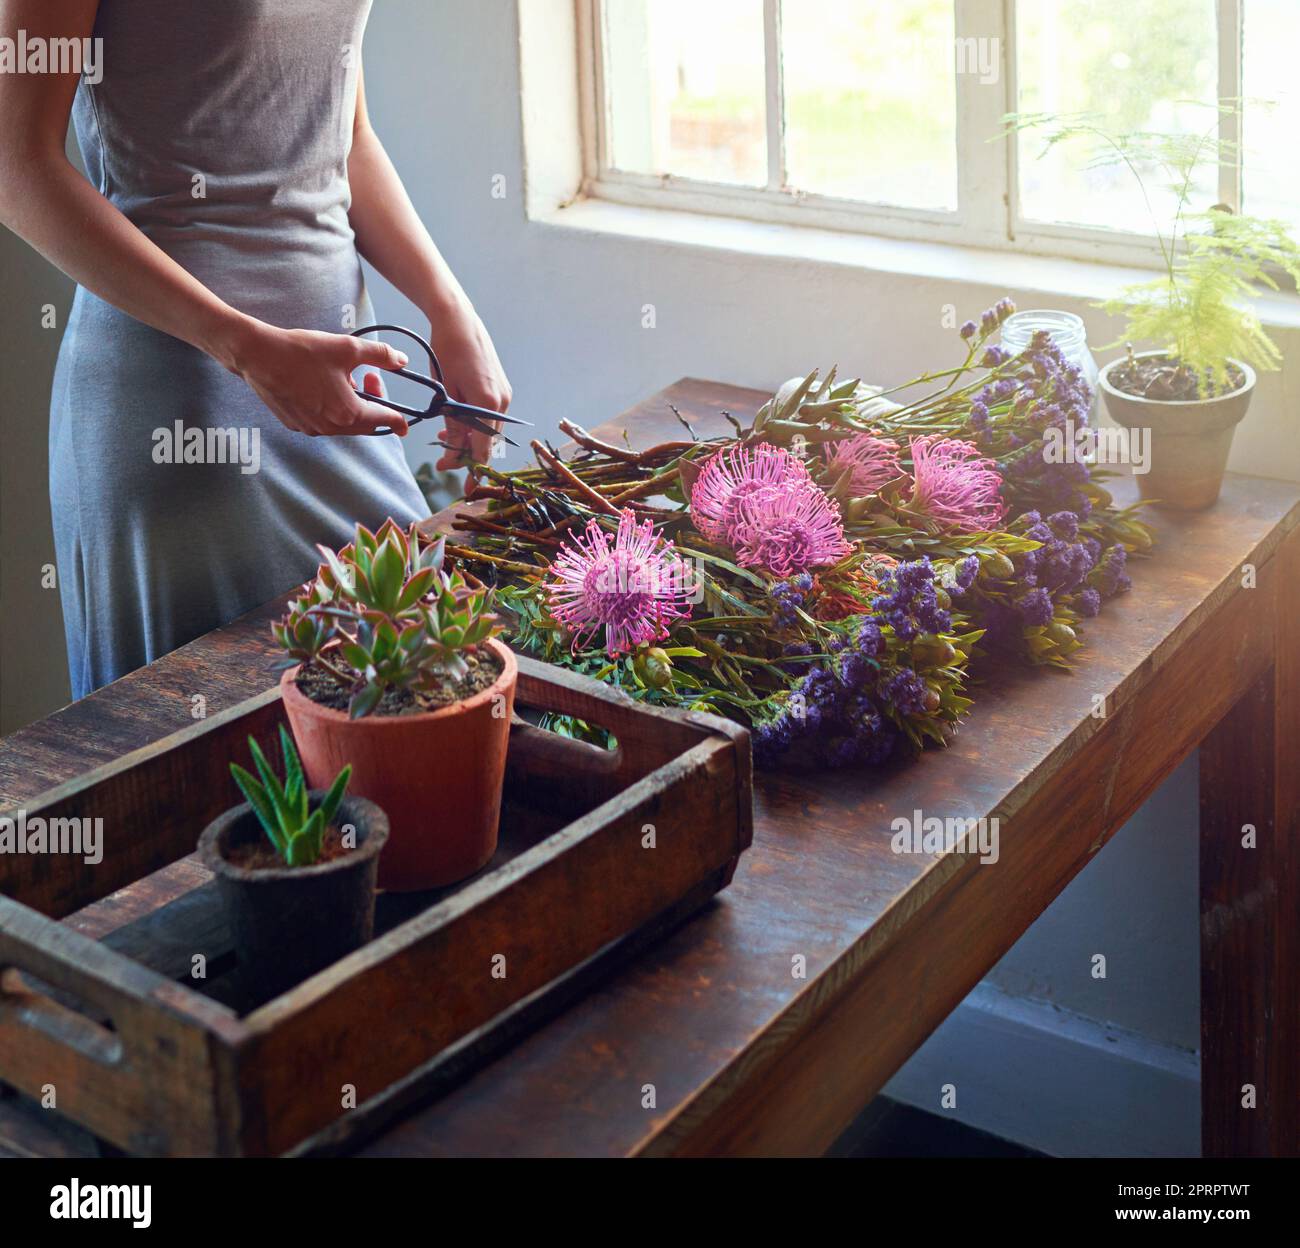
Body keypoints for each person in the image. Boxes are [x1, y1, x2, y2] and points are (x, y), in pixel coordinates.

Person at [0, 0, 511, 698]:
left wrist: (452, 312)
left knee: (424, 712)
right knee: (207, 766)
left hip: (340, 388)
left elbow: (342, 134)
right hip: (182, 412)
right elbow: (13, 163)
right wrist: (246, 349)